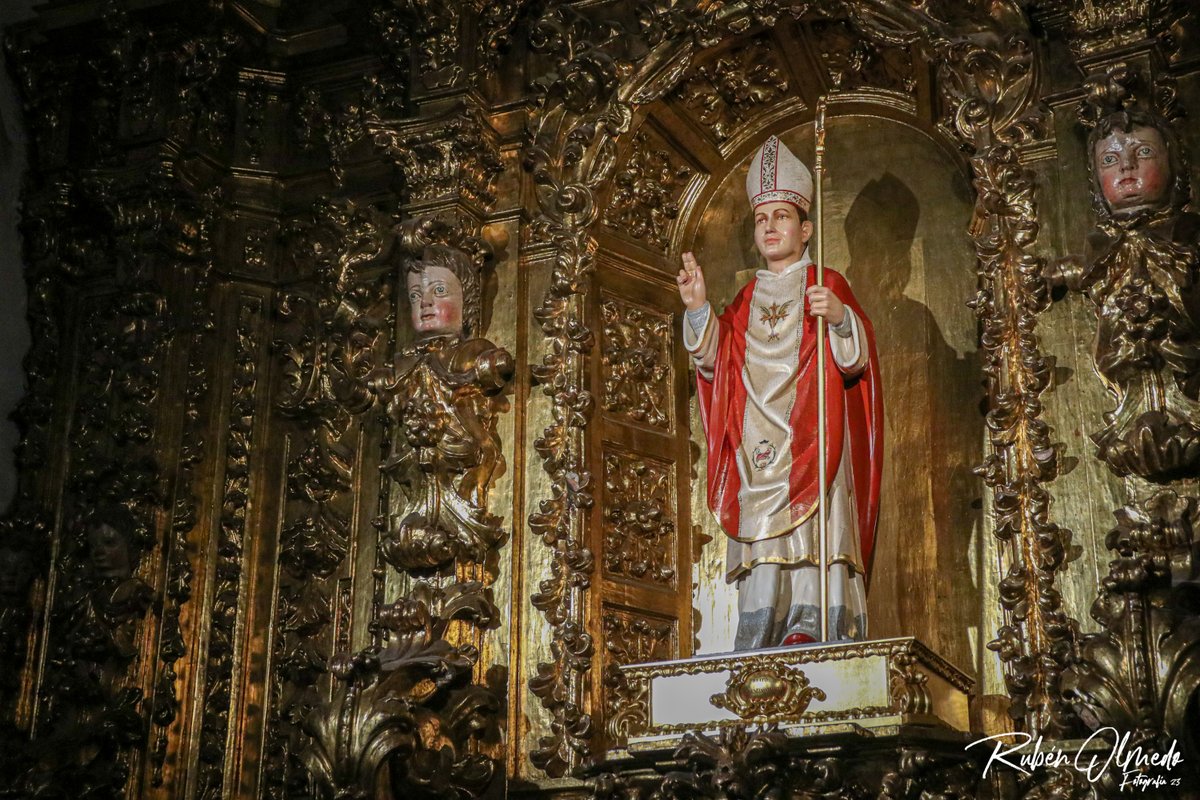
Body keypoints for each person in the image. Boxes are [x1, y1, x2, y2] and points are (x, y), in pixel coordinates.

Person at [677, 135, 883, 650]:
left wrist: (840, 319)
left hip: (816, 433)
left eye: (782, 217)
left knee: (816, 528)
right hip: (758, 441)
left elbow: (856, 362)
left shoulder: (825, 282)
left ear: (806, 228)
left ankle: (813, 622)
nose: (770, 227)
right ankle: (761, 625)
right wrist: (700, 309)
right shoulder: (747, 296)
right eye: (761, 218)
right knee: (766, 534)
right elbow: (713, 362)